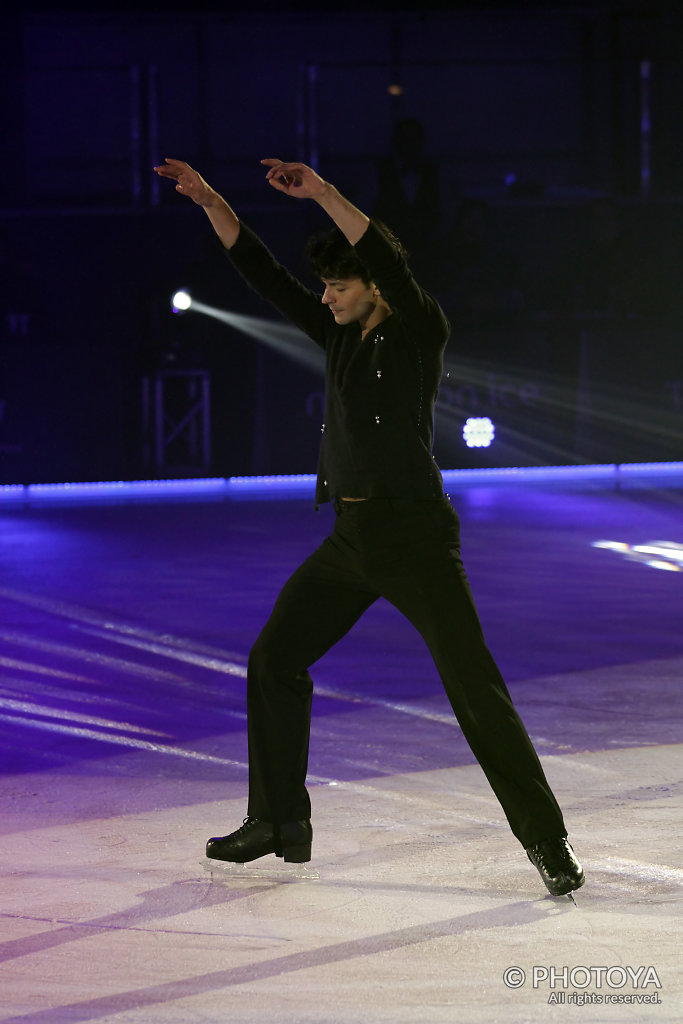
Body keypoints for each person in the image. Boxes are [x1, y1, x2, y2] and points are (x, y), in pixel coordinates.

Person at [154, 155, 584, 897]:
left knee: (473, 691)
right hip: (350, 541)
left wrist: (320, 192)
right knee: (274, 660)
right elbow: (261, 271)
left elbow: (383, 252)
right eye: (325, 285)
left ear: (375, 288)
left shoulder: (418, 332)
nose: (324, 297)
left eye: (339, 284)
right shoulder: (340, 338)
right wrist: (211, 202)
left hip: (413, 538)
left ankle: (546, 842)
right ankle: (277, 822)